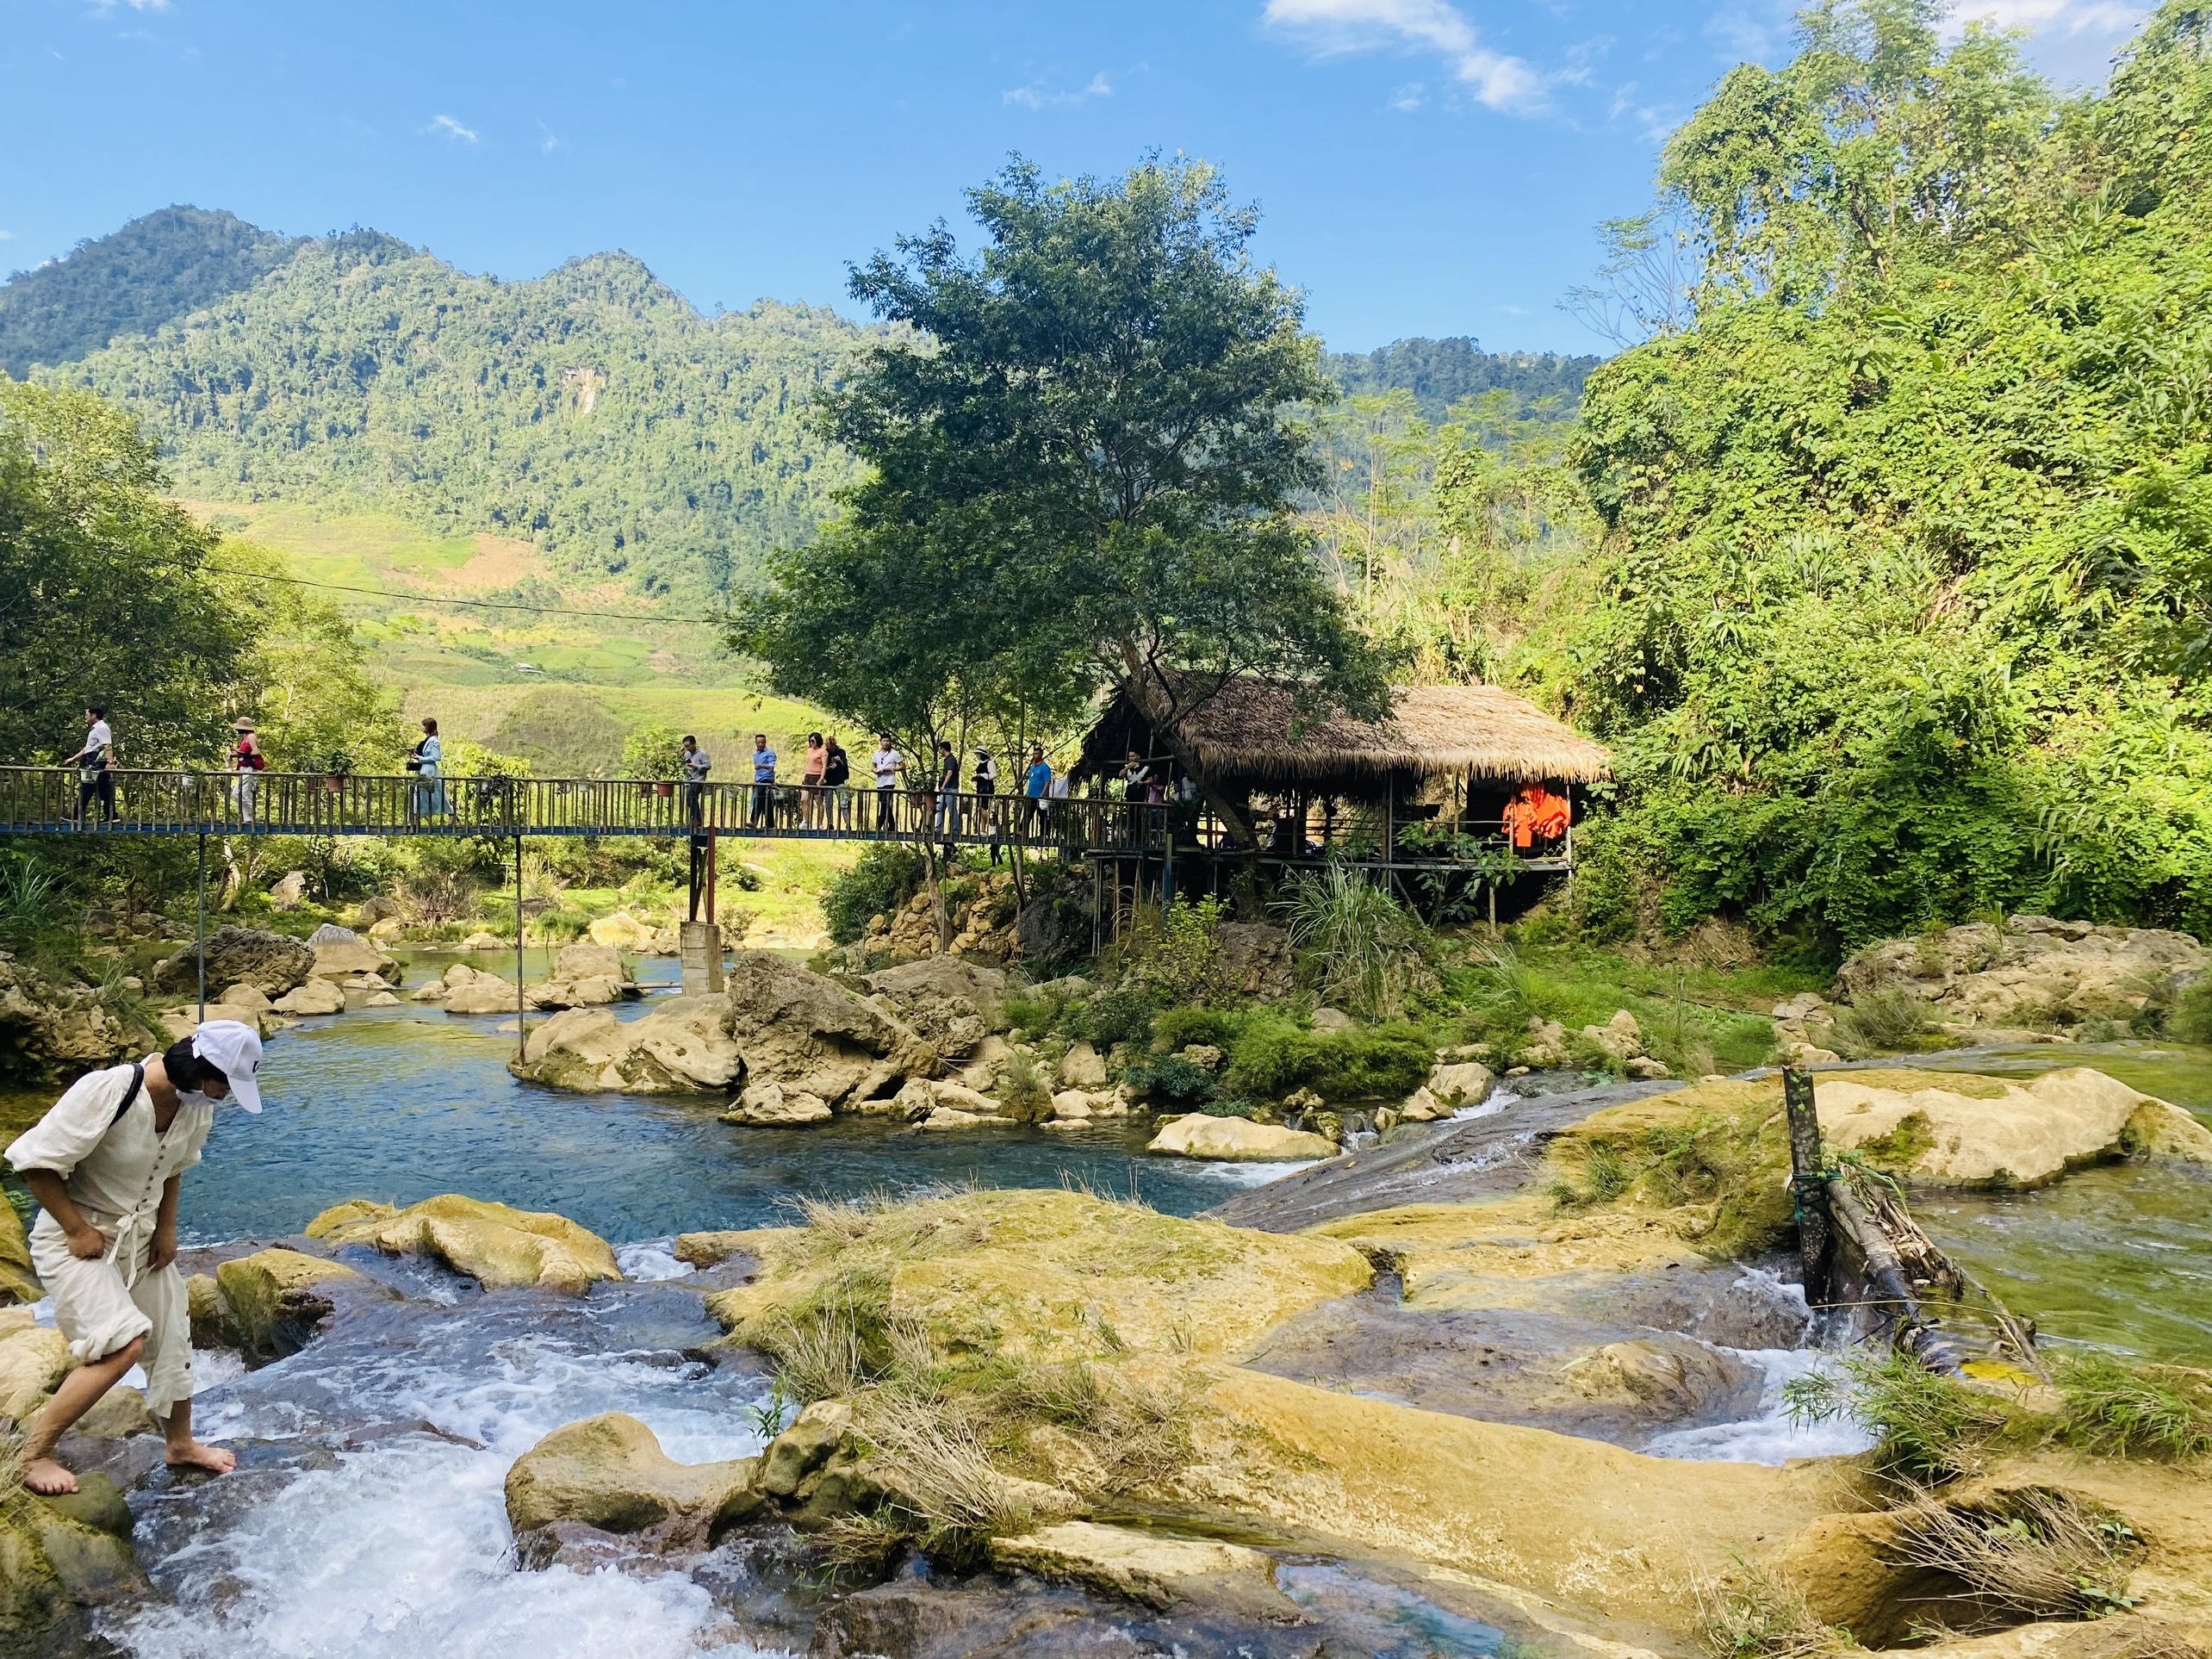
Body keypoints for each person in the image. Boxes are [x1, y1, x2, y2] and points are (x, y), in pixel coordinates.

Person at [6, 1022, 264, 1496]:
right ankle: (31, 1454)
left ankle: (180, 1445)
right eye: (224, 1084)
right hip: (75, 1239)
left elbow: (173, 1170)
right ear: (198, 1067)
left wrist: (166, 1230)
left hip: (142, 1240)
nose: (224, 1096)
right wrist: (77, 1229)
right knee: (123, 1344)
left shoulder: (194, 1107)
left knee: (172, 1337)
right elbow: (34, 1163)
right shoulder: (110, 1090)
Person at [64, 706, 116, 825]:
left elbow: (107, 745)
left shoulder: (101, 728)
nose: (85, 717)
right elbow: (88, 748)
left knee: (88, 789)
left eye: (87, 715)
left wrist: (110, 762)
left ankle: (76, 815)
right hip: (92, 762)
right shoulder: (96, 729)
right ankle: (111, 815)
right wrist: (73, 758)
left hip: (95, 764)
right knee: (101, 790)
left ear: (94, 715)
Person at [229, 718, 265, 827]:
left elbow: (255, 751)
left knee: (244, 793)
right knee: (236, 794)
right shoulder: (245, 737)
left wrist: (241, 754)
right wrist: (236, 754)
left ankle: (253, 814)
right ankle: (248, 818)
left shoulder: (251, 737)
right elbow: (245, 753)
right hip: (244, 767)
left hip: (249, 768)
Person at [408, 718, 444, 819]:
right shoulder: (429, 739)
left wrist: (421, 758)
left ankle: (415, 816)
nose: (422, 728)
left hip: (428, 770)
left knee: (418, 790)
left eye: (424, 726)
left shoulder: (434, 741)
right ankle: (415, 816)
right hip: (424, 769)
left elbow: (437, 757)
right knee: (434, 791)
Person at [933, 741, 960, 854]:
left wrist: (943, 786)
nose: (939, 751)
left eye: (940, 749)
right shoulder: (947, 760)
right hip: (946, 789)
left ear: (943, 749)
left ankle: (955, 830)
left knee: (952, 809)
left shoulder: (951, 760)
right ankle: (938, 828)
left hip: (950, 788)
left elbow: (950, 773)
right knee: (940, 808)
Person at [871, 735, 903, 831]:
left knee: (885, 802)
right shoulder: (876, 754)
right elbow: (873, 766)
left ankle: (879, 824)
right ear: (880, 742)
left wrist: (892, 769)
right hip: (880, 781)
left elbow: (902, 766)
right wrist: (875, 770)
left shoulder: (894, 753)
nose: (886, 743)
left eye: (888, 741)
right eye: (884, 741)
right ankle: (892, 825)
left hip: (890, 781)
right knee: (884, 804)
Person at [680, 735, 712, 827]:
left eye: (688, 746)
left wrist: (695, 766)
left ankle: (697, 820)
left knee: (692, 797)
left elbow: (708, 766)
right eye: (685, 746)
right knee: (689, 800)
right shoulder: (687, 754)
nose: (687, 748)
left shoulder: (702, 753)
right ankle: (693, 819)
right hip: (689, 780)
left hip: (698, 780)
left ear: (694, 744)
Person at [972, 746, 998, 859]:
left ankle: (992, 825)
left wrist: (982, 775)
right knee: (980, 808)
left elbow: (993, 775)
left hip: (987, 788)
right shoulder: (981, 763)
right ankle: (983, 830)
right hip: (980, 787)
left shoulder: (990, 763)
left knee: (982, 808)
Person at [822, 735, 852, 829]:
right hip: (828, 781)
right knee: (828, 804)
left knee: (843, 803)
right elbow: (822, 767)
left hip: (839, 780)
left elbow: (845, 765)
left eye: (832, 746)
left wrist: (840, 761)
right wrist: (828, 768)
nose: (831, 748)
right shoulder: (824, 753)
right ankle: (830, 823)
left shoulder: (841, 752)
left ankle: (848, 823)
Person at [749, 733, 777, 830]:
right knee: (766, 802)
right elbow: (756, 770)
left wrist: (762, 766)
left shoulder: (770, 752)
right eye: (759, 742)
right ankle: (770, 824)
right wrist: (755, 781)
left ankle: (753, 821)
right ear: (755, 743)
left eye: (763, 742)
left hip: (767, 779)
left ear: (765, 742)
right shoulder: (755, 754)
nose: (761, 744)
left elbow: (771, 766)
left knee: (759, 798)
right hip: (759, 780)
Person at [1023, 745, 1052, 836]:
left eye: (1037, 754)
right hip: (1031, 795)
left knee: (1042, 816)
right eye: (1034, 754)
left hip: (1040, 796)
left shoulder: (1045, 767)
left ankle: (1043, 834)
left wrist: (1042, 794)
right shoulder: (1033, 767)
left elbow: (1047, 782)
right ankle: (1022, 831)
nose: (1035, 756)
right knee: (1028, 814)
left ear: (1041, 755)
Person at [800, 732, 827, 829]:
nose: (811, 743)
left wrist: (821, 778)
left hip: (817, 776)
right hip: (808, 776)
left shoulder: (823, 751)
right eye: (810, 741)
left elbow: (824, 766)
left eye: (813, 741)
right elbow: (808, 763)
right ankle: (805, 821)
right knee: (804, 800)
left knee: (818, 801)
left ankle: (820, 823)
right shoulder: (809, 750)